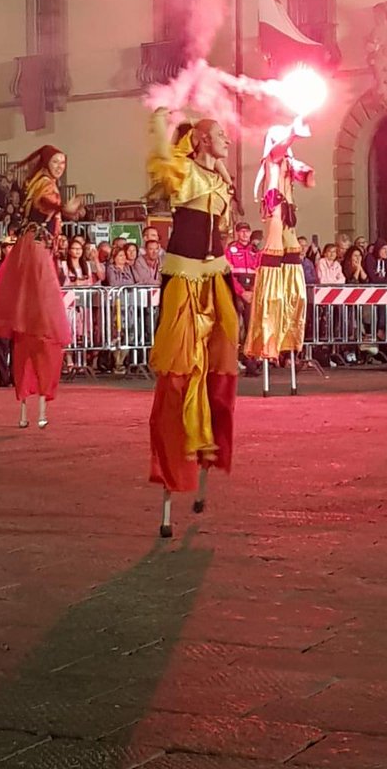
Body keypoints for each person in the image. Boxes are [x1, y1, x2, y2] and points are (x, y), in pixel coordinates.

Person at [146, 110, 239, 538]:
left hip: (215, 278)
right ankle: (173, 467)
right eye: (220, 136)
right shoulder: (183, 172)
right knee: (181, 373)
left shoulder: (219, 180)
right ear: (201, 140)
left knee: (219, 362)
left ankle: (207, 445)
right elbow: (163, 158)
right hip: (184, 280)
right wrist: (162, 123)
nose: (227, 142)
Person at [0, 145, 82, 430]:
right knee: (41, 325)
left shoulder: (39, 182)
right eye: (57, 161)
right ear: (47, 163)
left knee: (30, 326)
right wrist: (63, 208)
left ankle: (26, 399)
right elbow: (46, 202)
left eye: (63, 161)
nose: (61, 166)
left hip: (33, 251)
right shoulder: (45, 185)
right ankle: (35, 394)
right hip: (34, 252)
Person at [245, 119, 315, 365]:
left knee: (292, 256)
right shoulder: (271, 160)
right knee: (274, 254)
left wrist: (299, 167)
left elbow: (309, 180)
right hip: (275, 211)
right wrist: (293, 134)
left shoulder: (287, 162)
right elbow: (276, 153)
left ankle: (287, 336)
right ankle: (269, 337)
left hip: (287, 215)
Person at [225, 221, 260, 373]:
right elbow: (229, 274)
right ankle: (231, 360)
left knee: (250, 327)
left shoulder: (254, 251)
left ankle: (250, 361)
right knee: (234, 327)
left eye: (247, 231)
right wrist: (241, 292)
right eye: (241, 231)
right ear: (237, 233)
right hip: (236, 292)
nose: (244, 234)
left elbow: (259, 273)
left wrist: (252, 291)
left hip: (251, 292)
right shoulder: (230, 250)